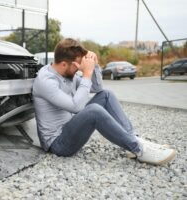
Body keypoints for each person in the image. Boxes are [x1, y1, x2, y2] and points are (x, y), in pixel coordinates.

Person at [32, 38, 176, 165]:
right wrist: (86, 74)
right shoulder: (46, 81)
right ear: (64, 64)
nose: (79, 70)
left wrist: (94, 67)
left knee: (106, 94)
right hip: (59, 144)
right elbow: (76, 107)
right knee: (93, 110)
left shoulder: (67, 72)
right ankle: (138, 149)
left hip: (70, 127)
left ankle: (134, 139)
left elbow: (97, 88)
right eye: (77, 66)